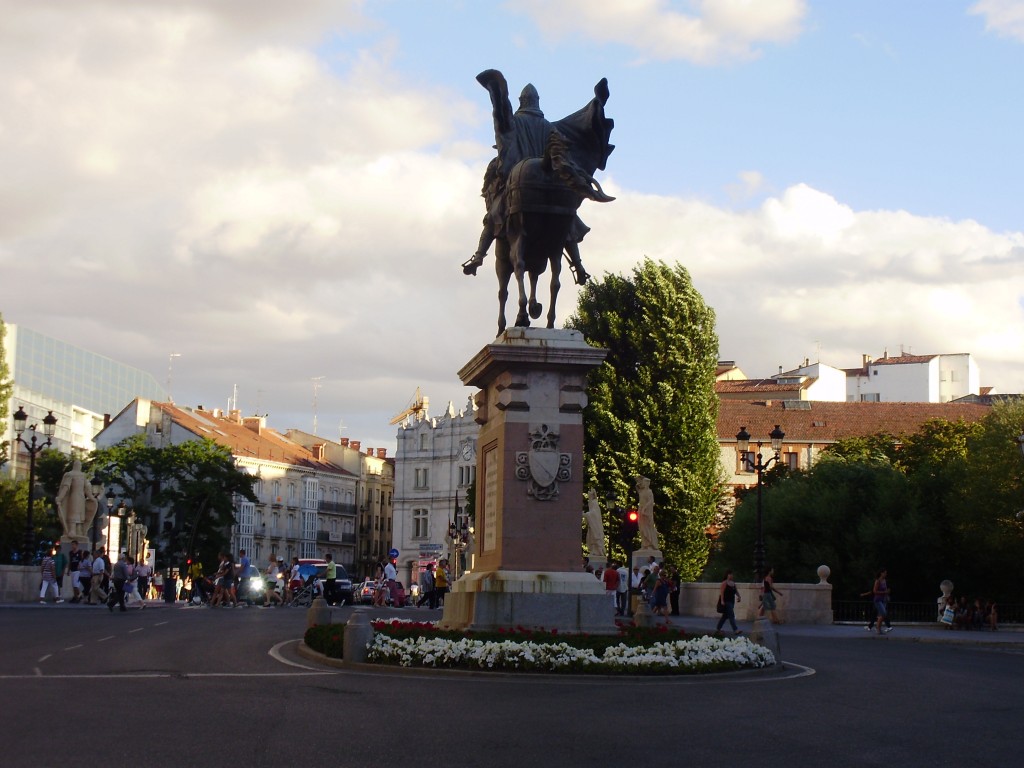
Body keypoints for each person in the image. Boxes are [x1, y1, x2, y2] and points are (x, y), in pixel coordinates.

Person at [636, 476, 660, 550]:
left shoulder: (649, 492)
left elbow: (650, 501)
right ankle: (644, 544)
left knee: (648, 528)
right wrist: (639, 480)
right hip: (641, 510)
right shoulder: (641, 491)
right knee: (642, 528)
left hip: (646, 512)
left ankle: (650, 544)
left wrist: (645, 508)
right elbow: (637, 486)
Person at [715, 570, 742, 635]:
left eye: (732, 574)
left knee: (725, 616)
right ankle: (735, 630)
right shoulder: (724, 583)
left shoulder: (733, 583)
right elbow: (722, 592)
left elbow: (735, 591)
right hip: (726, 601)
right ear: (727, 575)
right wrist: (722, 600)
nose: (731, 575)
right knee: (731, 615)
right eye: (729, 574)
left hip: (731, 601)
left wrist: (739, 596)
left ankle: (718, 628)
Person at [872, 568, 890, 635]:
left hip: (883, 600)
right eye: (885, 573)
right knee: (884, 613)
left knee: (881, 615)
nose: (886, 574)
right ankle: (877, 628)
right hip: (878, 600)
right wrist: (884, 592)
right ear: (881, 573)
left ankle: (879, 629)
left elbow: (885, 590)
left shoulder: (884, 581)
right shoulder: (878, 581)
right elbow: (874, 591)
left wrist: (887, 595)